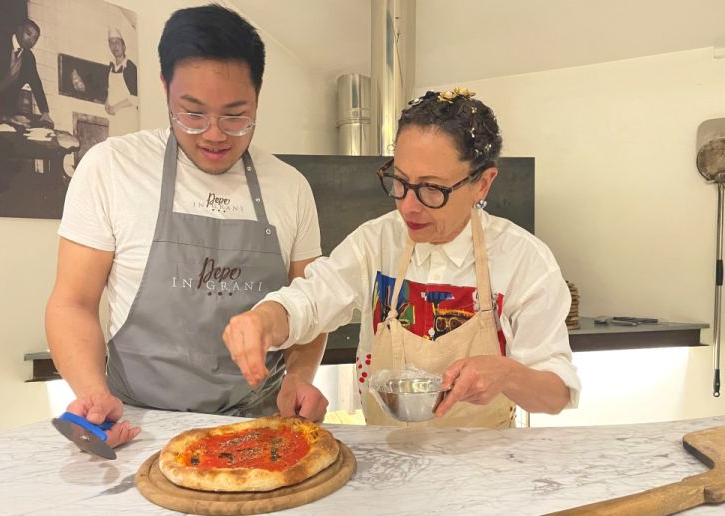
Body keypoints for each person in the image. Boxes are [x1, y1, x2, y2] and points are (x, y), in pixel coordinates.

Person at [45, 5, 328, 447]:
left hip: (258, 429)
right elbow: (73, 303)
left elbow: (314, 304)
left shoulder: (290, 187)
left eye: (236, 116)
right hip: (138, 428)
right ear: (165, 89)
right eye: (192, 114)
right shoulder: (111, 168)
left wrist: (299, 378)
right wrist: (93, 394)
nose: (214, 135)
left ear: (258, 94)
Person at [223, 87, 581, 428]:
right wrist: (264, 319)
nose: (408, 206)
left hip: (484, 467)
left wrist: (507, 373)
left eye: (431, 189)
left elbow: (557, 394)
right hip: (386, 458)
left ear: (482, 184)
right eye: (400, 182)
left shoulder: (524, 260)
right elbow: (312, 298)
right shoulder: (376, 241)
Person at [0, 19, 53, 127]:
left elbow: (36, 85)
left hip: (4, 111)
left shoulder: (29, 58)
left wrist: (45, 112)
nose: (31, 41)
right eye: (28, 34)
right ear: (19, 30)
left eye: (35, 38)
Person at [104, 27, 138, 135]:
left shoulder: (130, 67)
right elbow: (111, 90)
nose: (115, 46)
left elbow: (136, 97)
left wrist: (116, 107)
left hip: (128, 118)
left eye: (117, 42)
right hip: (115, 119)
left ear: (124, 46)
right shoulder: (111, 67)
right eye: (111, 43)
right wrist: (107, 102)